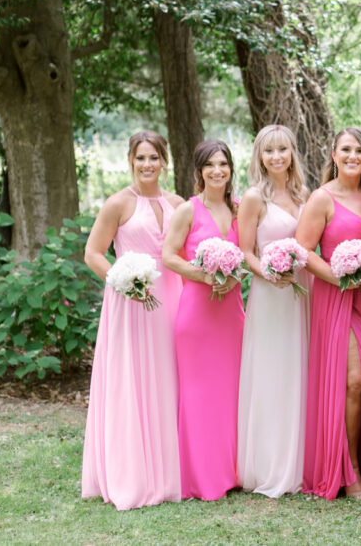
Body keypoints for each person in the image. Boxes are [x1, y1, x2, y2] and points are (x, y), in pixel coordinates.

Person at [81, 131, 183, 510]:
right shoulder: (118, 203)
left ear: (164, 161)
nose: (147, 165)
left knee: (169, 377)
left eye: (154, 157)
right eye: (141, 158)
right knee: (135, 380)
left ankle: (171, 468)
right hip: (131, 302)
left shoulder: (177, 203)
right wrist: (123, 280)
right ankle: (134, 472)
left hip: (173, 297)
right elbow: (93, 253)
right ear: (130, 160)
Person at [298, 127, 361, 500]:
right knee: (352, 381)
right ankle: (348, 469)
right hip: (337, 298)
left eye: (360, 151)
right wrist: (338, 277)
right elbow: (303, 250)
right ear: (333, 154)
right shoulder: (322, 198)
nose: (353, 156)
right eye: (346, 150)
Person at [162, 140, 244, 501]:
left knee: (230, 393)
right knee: (198, 395)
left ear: (230, 169)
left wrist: (233, 276)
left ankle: (232, 471)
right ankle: (200, 479)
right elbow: (168, 257)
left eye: (223, 163)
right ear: (198, 171)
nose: (217, 171)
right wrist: (203, 274)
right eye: (209, 165)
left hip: (231, 315)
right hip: (197, 315)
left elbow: (248, 256)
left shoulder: (240, 210)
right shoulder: (187, 210)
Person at [236, 125, 310, 498]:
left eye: (283, 149)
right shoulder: (253, 198)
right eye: (269, 151)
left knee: (300, 371)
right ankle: (270, 465)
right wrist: (269, 271)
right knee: (273, 373)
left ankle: (301, 461)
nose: (277, 157)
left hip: (302, 293)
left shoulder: (305, 195)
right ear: (260, 157)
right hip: (270, 294)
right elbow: (246, 251)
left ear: (292, 153)